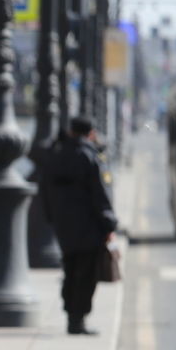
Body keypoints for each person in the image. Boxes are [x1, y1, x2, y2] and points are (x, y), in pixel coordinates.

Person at [41, 115, 117, 335]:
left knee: (70, 268)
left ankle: (71, 315)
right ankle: (78, 319)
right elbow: (99, 194)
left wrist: (51, 217)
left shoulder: (56, 154)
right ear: (90, 134)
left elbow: (45, 190)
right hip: (88, 226)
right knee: (86, 273)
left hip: (63, 225)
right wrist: (109, 224)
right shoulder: (88, 156)